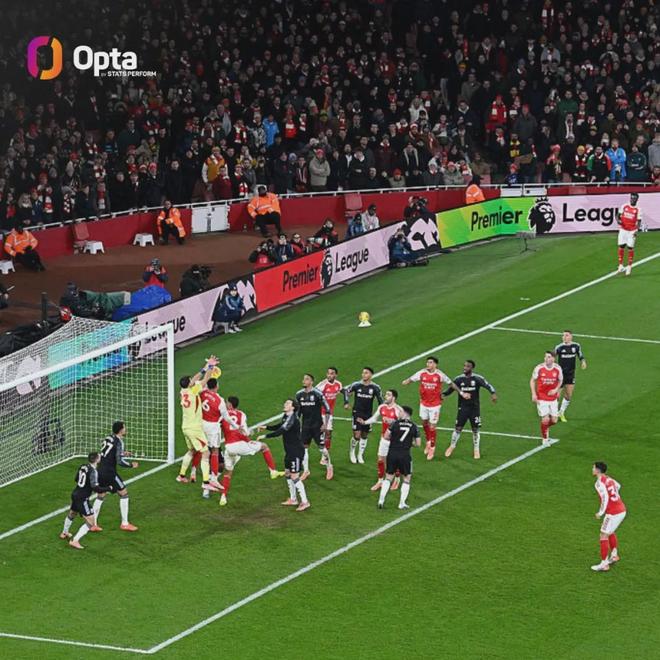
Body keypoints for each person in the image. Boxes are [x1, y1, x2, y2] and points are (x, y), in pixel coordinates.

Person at [220, 396, 284, 507]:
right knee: (264, 446)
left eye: (226, 402)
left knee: (228, 472)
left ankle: (223, 497)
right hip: (239, 445)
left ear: (230, 405)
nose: (225, 404)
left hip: (229, 447)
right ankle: (273, 471)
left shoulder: (223, 415)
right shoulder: (241, 414)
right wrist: (249, 437)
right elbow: (245, 432)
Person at [402, 356, 466, 460]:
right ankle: (428, 441)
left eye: (430, 362)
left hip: (435, 405)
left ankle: (432, 447)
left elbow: (451, 384)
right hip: (423, 403)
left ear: (435, 364)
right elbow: (411, 379)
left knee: (432, 427)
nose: (428, 364)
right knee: (424, 423)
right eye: (427, 362)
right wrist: (406, 381)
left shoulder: (440, 375)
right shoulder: (422, 373)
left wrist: (461, 393)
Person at [176, 356, 224, 493]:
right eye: (191, 380)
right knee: (206, 453)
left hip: (185, 427)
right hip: (194, 428)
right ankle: (206, 482)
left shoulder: (183, 391)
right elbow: (205, 379)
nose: (193, 380)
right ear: (190, 383)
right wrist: (210, 367)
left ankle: (181, 476)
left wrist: (205, 367)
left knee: (192, 450)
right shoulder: (193, 391)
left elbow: (196, 378)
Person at [258, 399, 310, 512]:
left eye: (287, 403)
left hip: (296, 452)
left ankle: (305, 502)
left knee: (295, 477)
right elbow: (279, 426)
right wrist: (266, 427)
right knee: (287, 474)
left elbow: (281, 431)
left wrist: (265, 436)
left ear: (293, 407)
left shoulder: (293, 419)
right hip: (289, 451)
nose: (285, 404)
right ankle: (293, 499)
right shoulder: (286, 416)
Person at [443, 360, 497, 460]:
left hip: (474, 408)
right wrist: (444, 394)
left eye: (467, 366)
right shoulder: (459, 379)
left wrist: (493, 393)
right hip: (462, 408)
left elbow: (488, 385)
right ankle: (452, 446)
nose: (465, 368)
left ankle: (476, 449)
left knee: (475, 430)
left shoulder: (477, 378)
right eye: (464, 366)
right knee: (458, 428)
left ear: (472, 368)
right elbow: (450, 389)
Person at [92, 421, 139, 532]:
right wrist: (131, 465)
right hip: (110, 473)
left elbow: (107, 452)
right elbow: (119, 461)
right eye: (124, 428)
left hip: (100, 470)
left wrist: (122, 452)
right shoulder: (119, 442)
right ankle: (125, 523)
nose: (126, 429)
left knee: (100, 495)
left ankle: (92, 524)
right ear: (121, 430)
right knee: (124, 494)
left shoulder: (108, 438)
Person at [60, 452, 110, 549]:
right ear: (96, 460)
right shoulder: (93, 471)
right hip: (82, 498)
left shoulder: (83, 466)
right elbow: (95, 487)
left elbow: (76, 479)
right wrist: (108, 488)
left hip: (75, 493)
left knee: (72, 513)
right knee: (91, 522)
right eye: (99, 457)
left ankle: (64, 533)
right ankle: (75, 541)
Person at [377, 406, 420, 510]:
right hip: (405, 455)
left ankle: (381, 500)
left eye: (400, 411)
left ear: (405, 413)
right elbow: (418, 444)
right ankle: (401, 503)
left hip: (392, 453)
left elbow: (386, 436)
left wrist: (395, 440)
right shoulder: (414, 426)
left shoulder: (394, 424)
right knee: (406, 478)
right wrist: (409, 443)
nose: (398, 413)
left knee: (388, 477)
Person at [361, 389, 403, 492]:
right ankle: (380, 481)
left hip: (395, 440)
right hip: (384, 439)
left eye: (388, 395)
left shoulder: (398, 410)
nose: (385, 396)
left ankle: (397, 479)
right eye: (386, 394)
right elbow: (374, 418)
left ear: (393, 398)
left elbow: (403, 425)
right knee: (380, 460)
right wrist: (365, 422)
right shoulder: (382, 407)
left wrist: (393, 421)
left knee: (395, 461)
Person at [200, 377, 238, 492]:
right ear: (216, 386)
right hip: (213, 427)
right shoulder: (220, 400)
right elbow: (227, 417)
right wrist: (236, 426)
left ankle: (201, 474)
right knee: (215, 451)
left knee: (204, 450)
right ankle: (213, 478)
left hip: (202, 424)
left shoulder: (203, 392)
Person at [295, 374, 332, 481]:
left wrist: (325, 424)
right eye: (303, 379)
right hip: (305, 426)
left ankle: (329, 466)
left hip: (317, 426)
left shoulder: (318, 394)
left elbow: (327, 409)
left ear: (311, 382)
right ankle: (306, 470)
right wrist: (296, 424)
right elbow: (298, 412)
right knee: (304, 447)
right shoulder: (299, 394)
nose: (304, 381)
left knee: (322, 448)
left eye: (306, 379)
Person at [343, 367, 383, 464]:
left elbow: (380, 401)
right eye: (363, 373)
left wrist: (382, 412)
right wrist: (346, 402)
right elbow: (346, 391)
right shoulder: (356, 385)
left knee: (364, 435)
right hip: (357, 412)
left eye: (366, 373)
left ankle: (360, 454)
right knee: (357, 435)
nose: (363, 374)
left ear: (371, 375)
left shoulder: (375, 387)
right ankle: (352, 452)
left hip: (368, 414)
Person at [591, 462, 627, 572]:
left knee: (603, 535)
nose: (592, 469)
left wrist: (600, 513)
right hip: (621, 509)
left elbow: (605, 498)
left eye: (593, 467)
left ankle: (604, 564)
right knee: (610, 532)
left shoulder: (599, 483)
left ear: (598, 470)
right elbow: (618, 486)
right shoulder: (609, 479)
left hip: (613, 513)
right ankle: (614, 555)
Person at [530, 351, 563, 447]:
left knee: (554, 420)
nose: (546, 359)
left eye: (548, 357)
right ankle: (545, 439)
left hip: (553, 398)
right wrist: (533, 394)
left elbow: (560, 380)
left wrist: (556, 390)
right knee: (545, 419)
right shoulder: (539, 368)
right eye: (545, 357)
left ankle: (545, 427)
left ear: (553, 359)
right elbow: (532, 380)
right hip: (542, 398)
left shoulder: (557, 368)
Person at [555, 331, 587, 422]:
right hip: (560, 375)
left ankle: (561, 412)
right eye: (563, 335)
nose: (564, 337)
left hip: (570, 374)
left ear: (571, 337)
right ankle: (554, 413)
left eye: (566, 335)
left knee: (568, 395)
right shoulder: (559, 347)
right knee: (557, 395)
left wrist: (583, 361)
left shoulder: (576, 346)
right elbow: (552, 357)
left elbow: (580, 355)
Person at [316, 367, 343, 459]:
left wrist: (346, 399)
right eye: (328, 373)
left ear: (336, 375)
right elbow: (314, 395)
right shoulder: (322, 385)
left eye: (332, 373)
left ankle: (324, 457)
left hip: (329, 414)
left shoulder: (338, 384)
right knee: (320, 434)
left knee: (328, 434)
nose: (329, 375)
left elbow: (341, 390)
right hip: (320, 413)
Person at [616, 192, 643, 276]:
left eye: (634, 198)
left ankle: (629, 266)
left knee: (630, 247)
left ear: (637, 200)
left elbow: (639, 221)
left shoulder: (638, 209)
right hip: (623, 229)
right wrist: (618, 220)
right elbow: (618, 215)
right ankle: (620, 265)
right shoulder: (624, 206)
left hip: (632, 230)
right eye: (632, 198)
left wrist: (636, 230)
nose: (632, 200)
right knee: (621, 246)